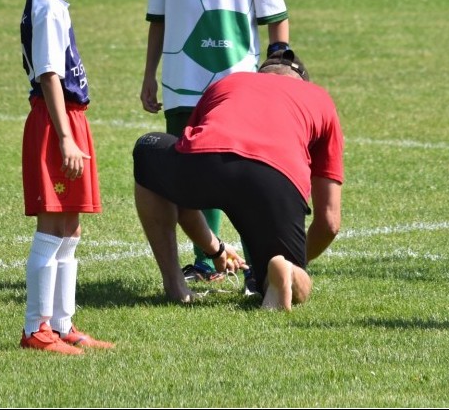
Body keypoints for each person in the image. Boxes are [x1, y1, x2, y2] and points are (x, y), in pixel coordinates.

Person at [140, 0, 291, 287]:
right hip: (180, 80)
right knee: (185, 174)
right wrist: (149, 74)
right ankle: (205, 261)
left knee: (240, 176)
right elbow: (158, 18)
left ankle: (258, 264)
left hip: (236, 80)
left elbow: (275, 16)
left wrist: (279, 71)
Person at [132, 50, 343, 310]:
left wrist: (215, 250)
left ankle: (175, 285)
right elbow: (329, 223)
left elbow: (182, 198)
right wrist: (299, 259)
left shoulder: (230, 82)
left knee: (147, 153)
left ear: (261, 74)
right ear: (301, 81)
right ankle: (282, 271)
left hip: (207, 160)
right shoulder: (319, 98)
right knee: (294, 278)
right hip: (276, 178)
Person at [19, 0, 115, 354]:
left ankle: (63, 324)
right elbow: (49, 76)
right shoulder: (46, 8)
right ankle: (35, 329)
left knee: (71, 226)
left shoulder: (54, 4)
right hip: (56, 124)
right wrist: (64, 137)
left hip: (70, 121)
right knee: (53, 225)